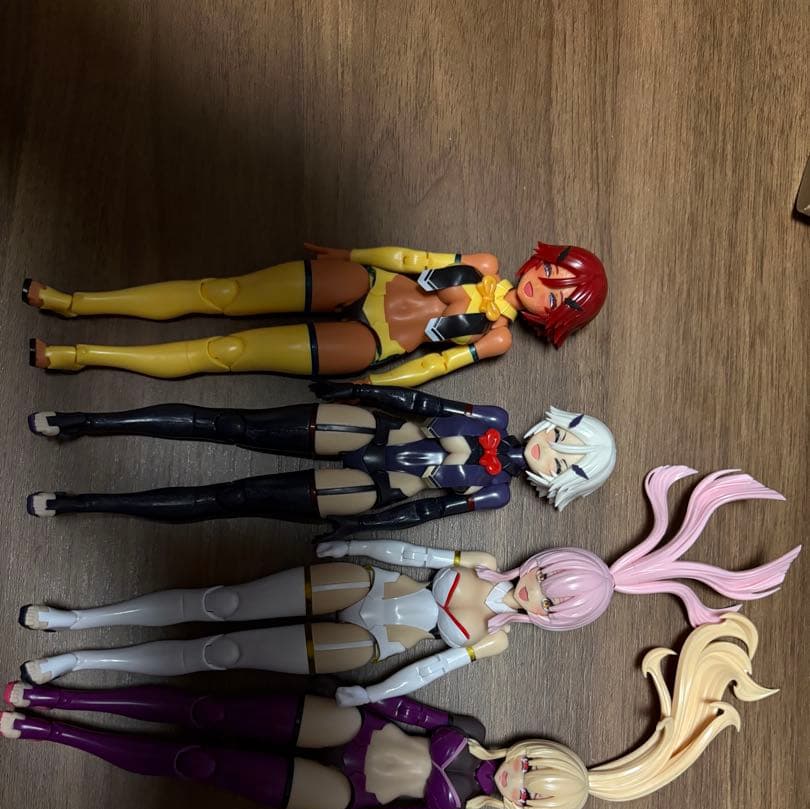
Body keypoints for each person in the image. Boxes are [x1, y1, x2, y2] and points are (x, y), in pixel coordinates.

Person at [18, 467, 799, 702]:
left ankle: (79, 664)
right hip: (359, 579)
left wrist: (369, 697)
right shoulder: (482, 562)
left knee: (223, 653)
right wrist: (353, 541)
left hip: (369, 644)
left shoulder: (491, 641)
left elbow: (427, 670)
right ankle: (77, 619)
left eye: (550, 602)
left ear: (552, 620)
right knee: (222, 601)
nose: (538, 593)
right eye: (549, 580)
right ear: (547, 562)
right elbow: (410, 549)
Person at [1, 615, 776, 809]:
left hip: (343, 797)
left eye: (528, 794)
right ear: (536, 752)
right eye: (534, 769)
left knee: (199, 764)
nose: (519, 779)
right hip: (349, 729)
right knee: (208, 710)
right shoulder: (469, 728)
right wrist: (360, 695)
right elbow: (408, 707)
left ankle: (50, 732)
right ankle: (59, 699)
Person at [26, 383, 616, 530]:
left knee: (235, 498)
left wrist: (360, 529)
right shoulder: (494, 418)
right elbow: (421, 403)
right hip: (372, 430)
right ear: (558, 422)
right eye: (563, 440)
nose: (550, 452)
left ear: (559, 484)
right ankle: (88, 422)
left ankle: (84, 503)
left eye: (563, 465)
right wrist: (360, 390)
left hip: (377, 491)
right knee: (232, 425)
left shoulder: (497, 492)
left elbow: (423, 513)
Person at [24, 241, 607, 386]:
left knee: (229, 352)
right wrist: (352, 255)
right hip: (369, 282)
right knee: (224, 293)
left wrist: (376, 386)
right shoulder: (483, 264)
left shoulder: (498, 338)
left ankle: (82, 355)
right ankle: (76, 302)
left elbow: (432, 367)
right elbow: (412, 260)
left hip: (375, 345)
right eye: (553, 272)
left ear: (553, 320)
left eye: (557, 298)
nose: (543, 286)